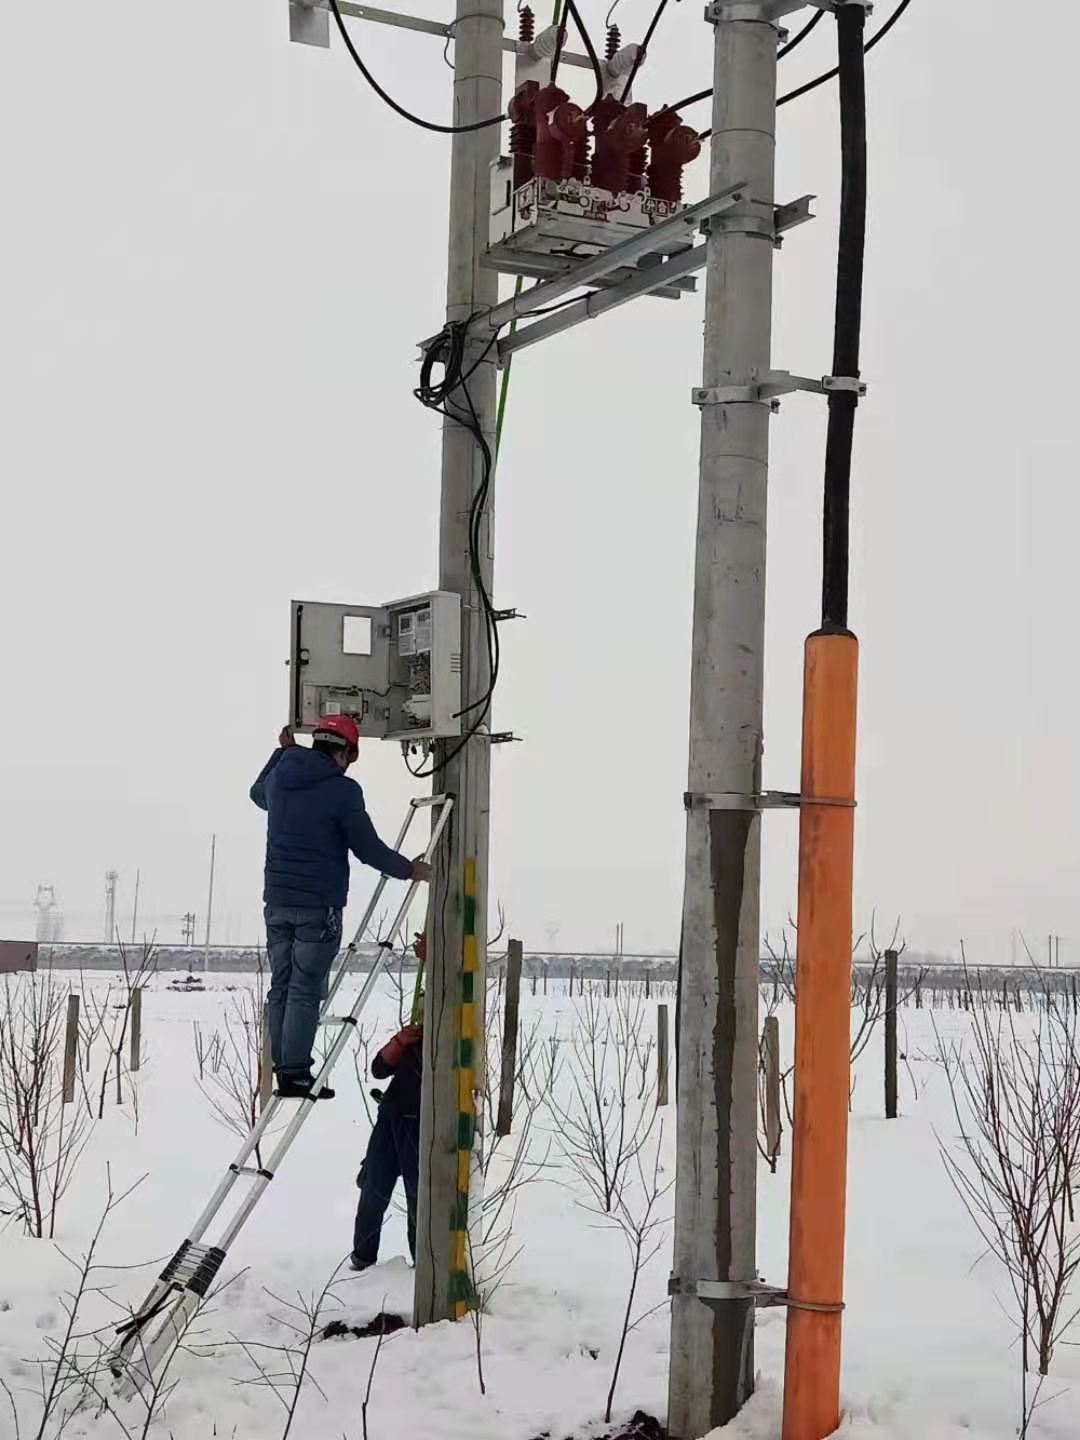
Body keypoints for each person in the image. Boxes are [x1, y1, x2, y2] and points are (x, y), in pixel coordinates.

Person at [250, 716, 430, 1099]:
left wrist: (282, 753)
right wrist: (408, 869)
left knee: (281, 985)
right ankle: (295, 1073)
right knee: (304, 988)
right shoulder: (342, 790)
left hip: (276, 902)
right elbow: (366, 848)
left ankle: (284, 1067)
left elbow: (257, 794)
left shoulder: (280, 776)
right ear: (346, 751)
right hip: (317, 907)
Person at [351, 935, 425, 1271]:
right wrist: (399, 1041)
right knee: (373, 1189)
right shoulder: (416, 1037)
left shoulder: (448, 1038)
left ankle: (422, 1266)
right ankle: (362, 1259)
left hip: (420, 1125)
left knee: (418, 1198)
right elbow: (379, 1069)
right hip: (391, 1117)